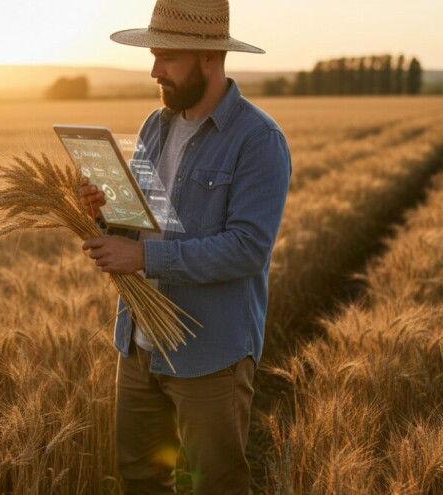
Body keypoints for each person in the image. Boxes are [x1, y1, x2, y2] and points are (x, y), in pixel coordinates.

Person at [78, 1, 291, 493]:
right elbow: (139, 227)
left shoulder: (258, 140)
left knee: (216, 483)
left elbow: (247, 249)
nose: (155, 70)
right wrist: (102, 211)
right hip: (138, 345)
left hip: (209, 355)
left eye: (167, 58)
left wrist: (144, 258)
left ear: (210, 58)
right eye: (154, 56)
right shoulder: (157, 125)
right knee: (140, 478)